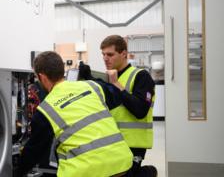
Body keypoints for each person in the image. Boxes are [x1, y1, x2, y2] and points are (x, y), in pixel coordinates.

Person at [17, 51, 133, 177]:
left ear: (42, 77)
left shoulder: (45, 110)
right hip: (122, 164)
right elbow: (116, 95)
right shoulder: (93, 86)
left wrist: (17, 172)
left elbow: (33, 152)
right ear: (62, 70)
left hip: (85, 172)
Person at [100, 35, 157, 177]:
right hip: (111, 142)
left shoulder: (141, 76)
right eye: (103, 54)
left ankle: (148, 173)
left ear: (123, 54)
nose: (105, 58)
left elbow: (140, 110)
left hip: (133, 144)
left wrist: (117, 85)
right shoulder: (107, 79)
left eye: (110, 54)